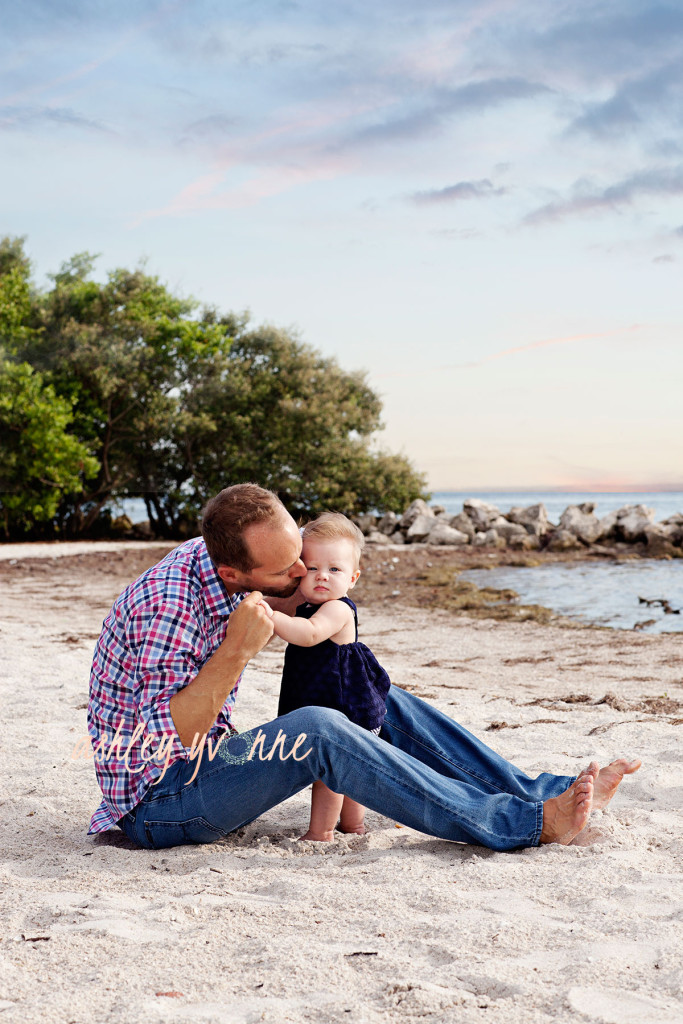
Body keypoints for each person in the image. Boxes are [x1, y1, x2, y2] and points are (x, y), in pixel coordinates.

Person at [87, 483, 641, 852]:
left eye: (300, 554)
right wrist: (236, 651)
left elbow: (300, 602)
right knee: (320, 729)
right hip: (159, 799)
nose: (304, 572)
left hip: (211, 760)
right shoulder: (170, 606)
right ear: (234, 573)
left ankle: (545, 792)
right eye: (288, 569)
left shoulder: (218, 553)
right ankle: (524, 824)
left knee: (365, 691)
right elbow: (171, 740)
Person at [264, 513, 391, 841]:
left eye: (334, 569)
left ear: (353, 577)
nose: (322, 577)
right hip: (324, 698)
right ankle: (353, 825)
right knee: (350, 770)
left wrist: (271, 615)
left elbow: (308, 634)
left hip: (344, 704)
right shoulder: (308, 606)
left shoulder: (337, 609)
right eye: (313, 568)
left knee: (331, 773)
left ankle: (321, 832)